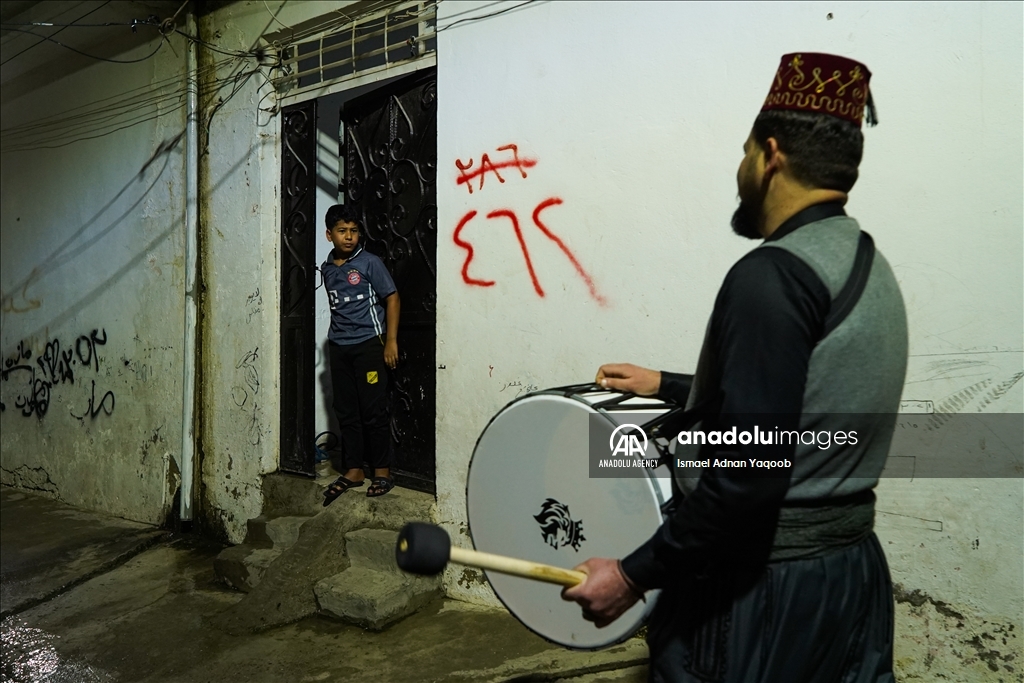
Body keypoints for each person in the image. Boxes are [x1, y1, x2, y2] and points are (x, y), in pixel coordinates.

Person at [562, 53, 907, 683]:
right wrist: (665, 385)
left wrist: (631, 574)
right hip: (849, 573)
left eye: (745, 151)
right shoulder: (864, 262)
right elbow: (801, 404)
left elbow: (747, 476)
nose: (741, 167)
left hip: (767, 588)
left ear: (770, 156)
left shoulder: (772, 276)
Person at [320, 204, 401, 503]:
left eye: (354, 231)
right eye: (342, 231)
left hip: (369, 344)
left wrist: (390, 341)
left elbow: (392, 298)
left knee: (373, 411)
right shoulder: (327, 268)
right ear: (329, 235)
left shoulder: (369, 263)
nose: (349, 237)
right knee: (346, 410)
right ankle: (353, 470)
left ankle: (382, 471)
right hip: (339, 347)